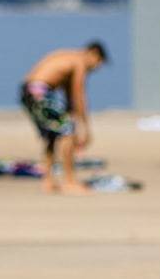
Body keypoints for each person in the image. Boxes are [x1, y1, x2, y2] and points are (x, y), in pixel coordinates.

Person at [20, 41, 108, 194]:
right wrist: (85, 129)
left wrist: (72, 116)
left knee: (52, 135)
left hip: (29, 91)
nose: (96, 67)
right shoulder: (79, 61)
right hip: (41, 92)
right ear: (93, 53)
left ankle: (48, 181)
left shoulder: (67, 56)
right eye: (98, 62)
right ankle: (70, 182)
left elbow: (69, 98)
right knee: (67, 133)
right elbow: (78, 96)